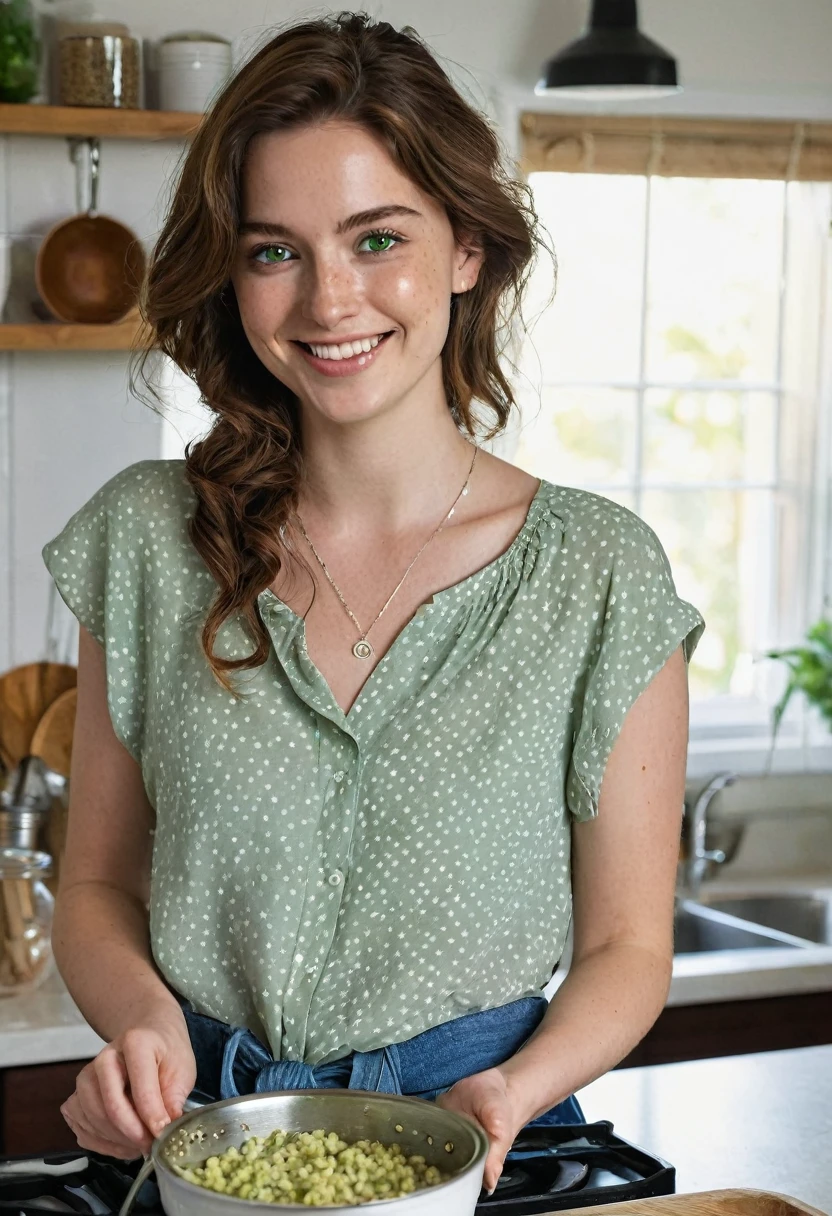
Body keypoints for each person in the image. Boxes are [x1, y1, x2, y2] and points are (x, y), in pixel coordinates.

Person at [41, 11, 704, 1196]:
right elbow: (95, 882)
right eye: (273, 250)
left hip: (491, 1139)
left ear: (466, 249)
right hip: (203, 1146)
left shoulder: (599, 574)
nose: (328, 300)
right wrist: (140, 1023)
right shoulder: (148, 537)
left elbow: (625, 948)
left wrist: (519, 1083)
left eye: (377, 237)